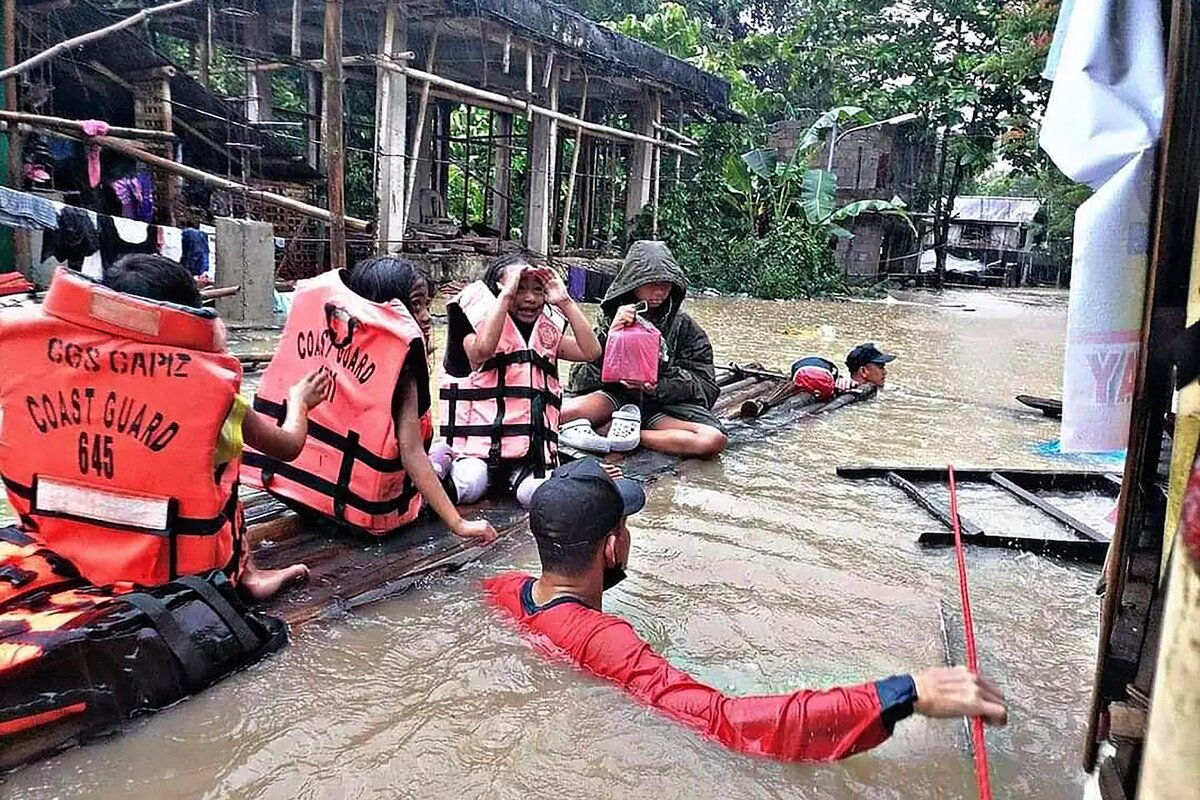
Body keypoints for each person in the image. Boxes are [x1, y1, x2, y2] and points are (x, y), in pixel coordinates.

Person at [486, 458, 1008, 763]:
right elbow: (728, 723)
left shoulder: (505, 590)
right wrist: (901, 693)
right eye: (625, 527)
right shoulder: (607, 639)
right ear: (610, 548)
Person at [0, 255, 320, 600]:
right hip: (171, 567)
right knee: (223, 472)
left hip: (60, 544)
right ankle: (248, 576)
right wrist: (300, 401)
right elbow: (287, 446)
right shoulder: (211, 391)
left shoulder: (39, 364)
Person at [242, 255, 497, 544]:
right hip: (365, 515)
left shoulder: (324, 336)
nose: (427, 316)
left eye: (427, 304)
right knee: (455, 462)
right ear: (387, 307)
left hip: (297, 492)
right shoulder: (401, 364)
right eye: (416, 305)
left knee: (440, 452)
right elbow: (411, 453)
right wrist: (459, 523)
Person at [438, 252, 601, 508]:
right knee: (468, 485)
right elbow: (481, 352)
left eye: (538, 290)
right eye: (519, 288)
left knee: (537, 496)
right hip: (478, 453)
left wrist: (565, 302)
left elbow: (591, 352)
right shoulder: (473, 327)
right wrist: (504, 297)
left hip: (529, 457)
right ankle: (438, 463)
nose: (529, 298)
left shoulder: (547, 333)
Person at [561, 241, 727, 460]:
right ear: (633, 283)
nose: (659, 292)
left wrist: (657, 384)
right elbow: (581, 376)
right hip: (613, 398)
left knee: (713, 440)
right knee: (557, 416)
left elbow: (706, 386)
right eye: (651, 284)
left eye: (666, 285)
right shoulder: (612, 317)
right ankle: (614, 428)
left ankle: (625, 435)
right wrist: (612, 336)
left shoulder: (685, 327)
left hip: (660, 408)